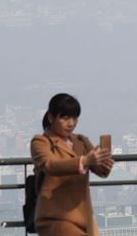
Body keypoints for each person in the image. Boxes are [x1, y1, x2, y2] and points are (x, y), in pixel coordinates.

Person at [30, 93, 114, 236]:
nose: (71, 123)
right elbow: (50, 165)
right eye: (65, 117)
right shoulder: (41, 142)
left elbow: (101, 172)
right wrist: (85, 161)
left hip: (83, 217)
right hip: (55, 217)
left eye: (74, 118)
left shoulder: (81, 141)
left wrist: (104, 161)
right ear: (51, 117)